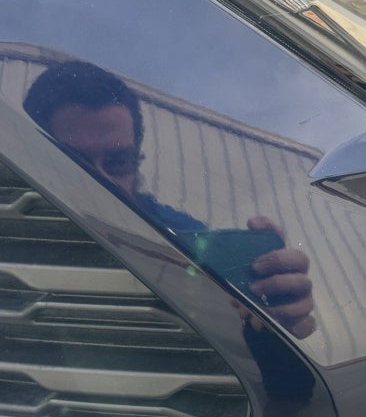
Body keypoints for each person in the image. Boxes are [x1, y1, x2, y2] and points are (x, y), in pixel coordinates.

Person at [23, 60, 316, 340]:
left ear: (135, 162)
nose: (101, 181)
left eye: (118, 162)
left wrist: (275, 321)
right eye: (73, 163)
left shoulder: (180, 238)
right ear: (34, 160)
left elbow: (229, 316)